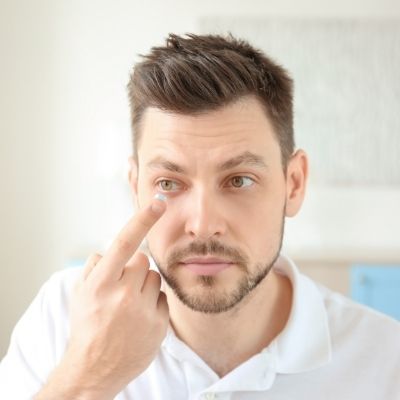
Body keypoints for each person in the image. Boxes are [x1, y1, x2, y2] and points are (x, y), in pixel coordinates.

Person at [0, 32, 399, 400]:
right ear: (135, 187)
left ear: (293, 184)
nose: (204, 224)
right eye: (169, 183)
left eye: (239, 180)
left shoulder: (384, 361)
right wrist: (89, 374)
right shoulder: (62, 317)